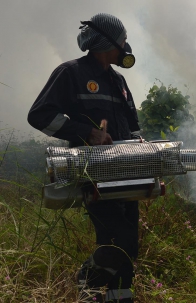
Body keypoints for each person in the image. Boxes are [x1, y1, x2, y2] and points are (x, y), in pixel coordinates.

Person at [27, 13, 140, 303]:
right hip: (94, 177)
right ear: (108, 42)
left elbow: (133, 130)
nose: (126, 45)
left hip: (128, 174)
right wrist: (87, 132)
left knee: (124, 243)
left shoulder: (119, 81)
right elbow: (39, 115)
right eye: (123, 39)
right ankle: (86, 279)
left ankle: (115, 297)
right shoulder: (71, 73)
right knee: (123, 240)